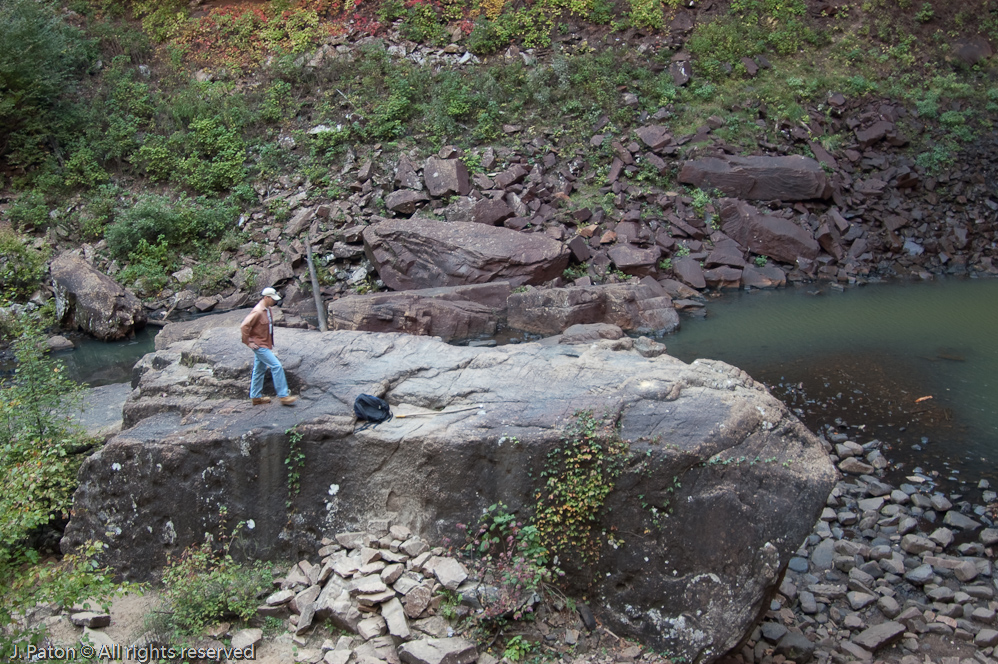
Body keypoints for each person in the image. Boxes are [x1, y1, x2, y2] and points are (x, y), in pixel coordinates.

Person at [241, 287, 297, 406]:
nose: (274, 301)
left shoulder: (267, 308)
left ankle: (256, 397)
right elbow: (244, 326)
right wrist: (248, 342)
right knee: (276, 366)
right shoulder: (258, 311)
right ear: (266, 297)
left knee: (259, 369)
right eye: (272, 299)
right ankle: (283, 395)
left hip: (264, 343)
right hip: (259, 345)